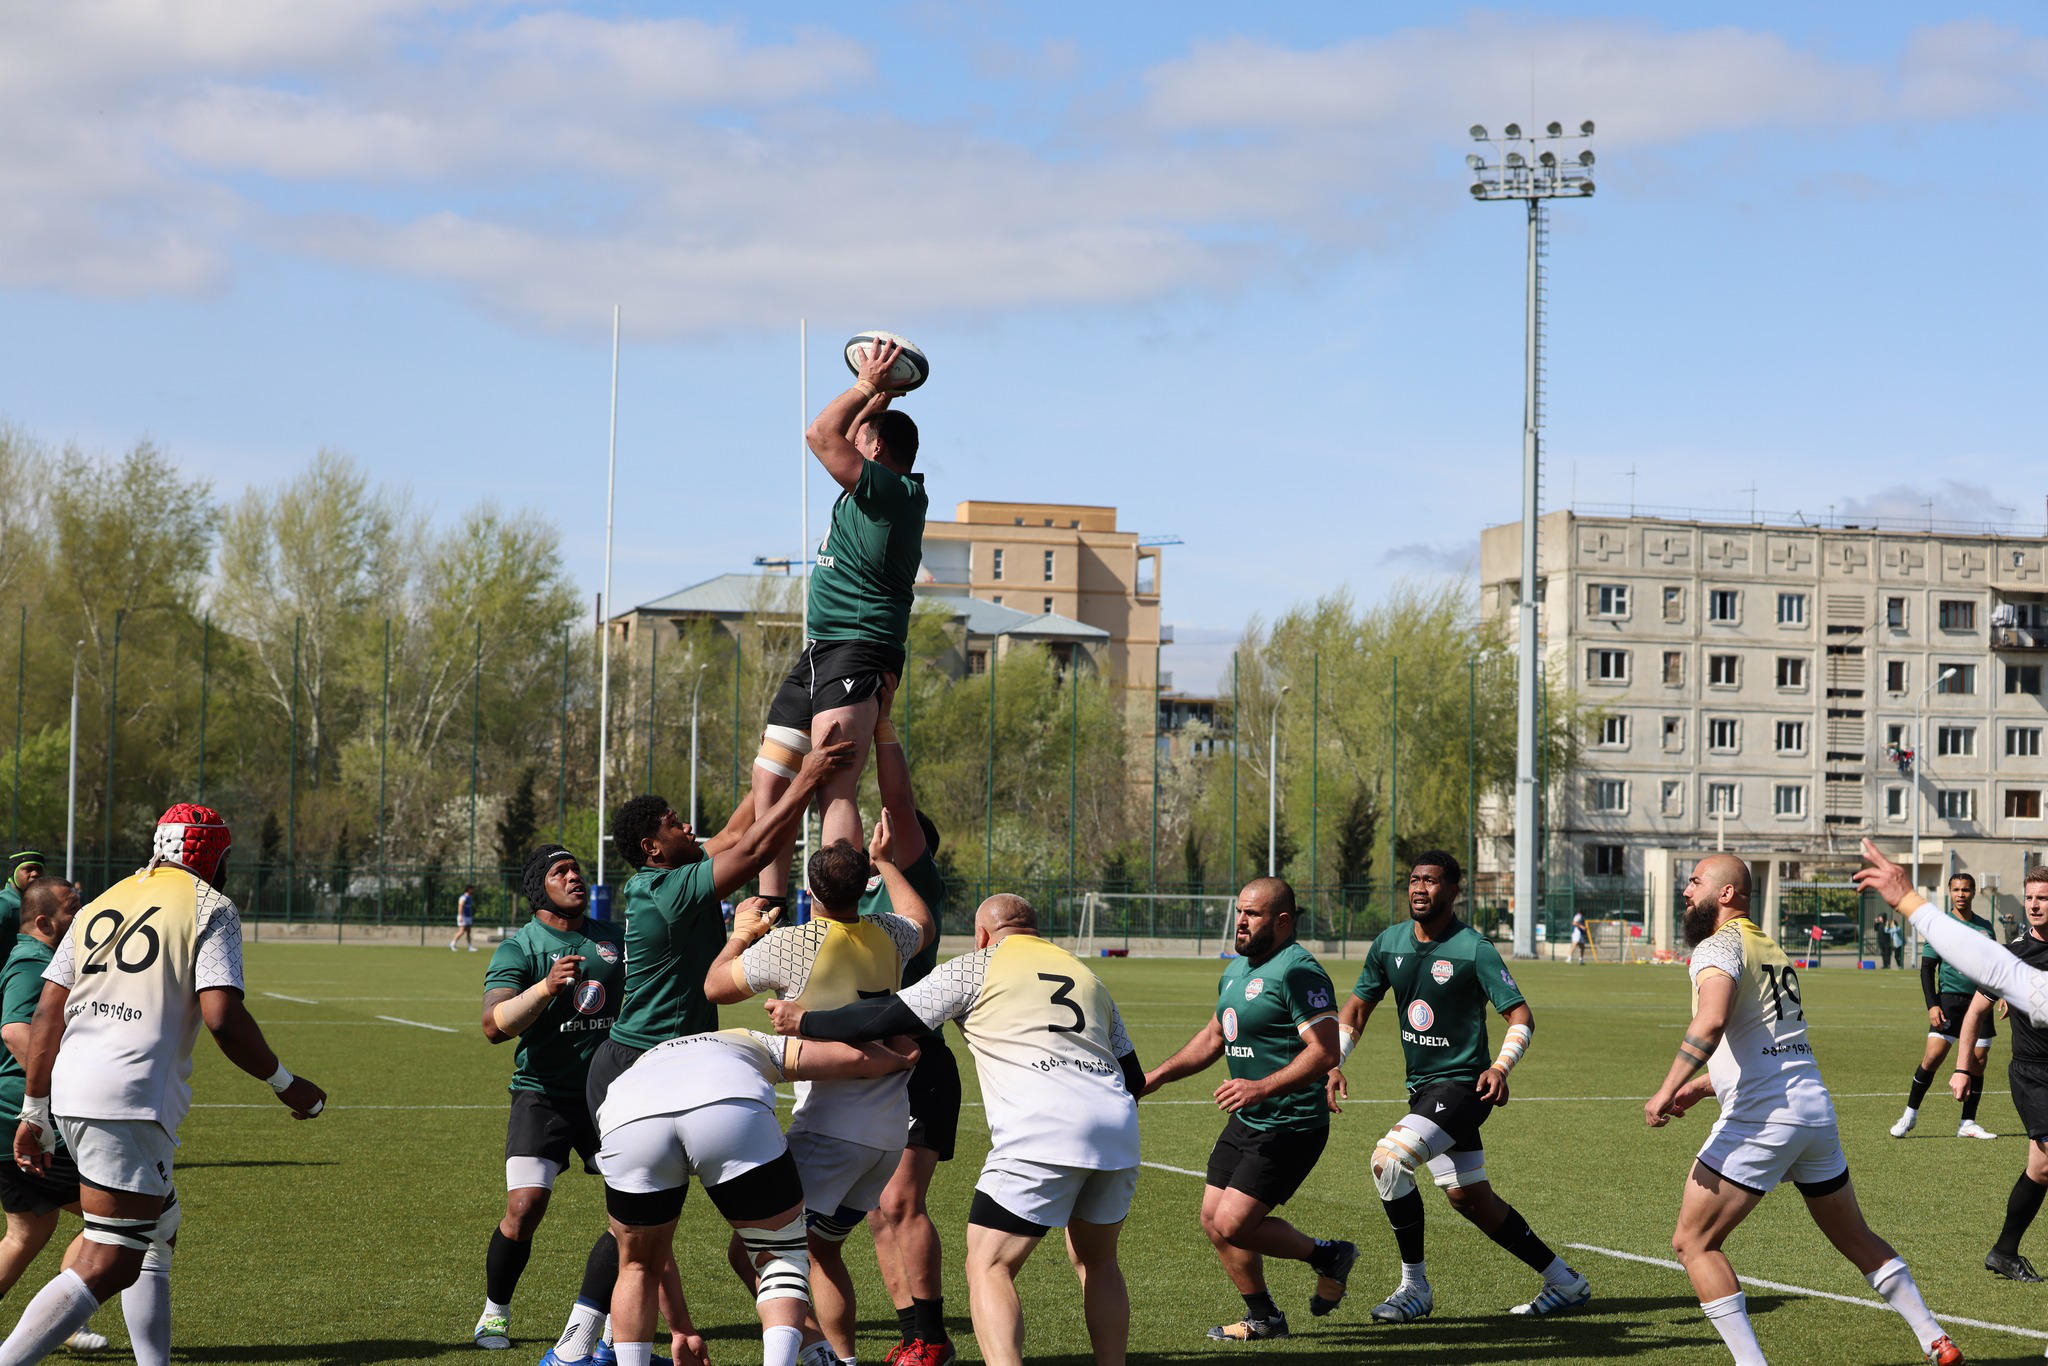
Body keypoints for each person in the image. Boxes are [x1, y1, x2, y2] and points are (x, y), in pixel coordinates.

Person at [0, 804, 327, 1366]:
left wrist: (35, 1108)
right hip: (127, 1095)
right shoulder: (210, 907)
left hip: (74, 1087)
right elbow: (222, 1017)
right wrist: (284, 1081)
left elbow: (50, 1011)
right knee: (111, 1259)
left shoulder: (103, 899)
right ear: (210, 855)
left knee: (158, 1232)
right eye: (223, 856)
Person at [767, 893, 1143, 1366]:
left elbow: (889, 1014)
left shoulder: (977, 965)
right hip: (1117, 1125)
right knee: (1099, 1261)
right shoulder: (1087, 975)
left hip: (1043, 1127)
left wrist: (808, 1021)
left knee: (989, 1262)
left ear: (983, 934)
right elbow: (1135, 1077)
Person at [1645, 854, 1961, 1366]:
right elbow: (1769, 1040)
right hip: (1812, 1111)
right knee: (1854, 1236)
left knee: (1693, 1243)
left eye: (1696, 881)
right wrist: (1703, 1088)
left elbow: (1712, 1021)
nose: (1686, 890)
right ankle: (1935, 1339)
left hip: (1764, 1118)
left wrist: (1666, 1088)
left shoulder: (1717, 946)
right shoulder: (1769, 947)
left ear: (1726, 894)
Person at [704, 812, 934, 1366]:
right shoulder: (890, 933)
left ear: (809, 890)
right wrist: (885, 862)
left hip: (832, 1128)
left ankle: (812, 1352)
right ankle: (842, 1358)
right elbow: (920, 918)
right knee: (821, 1251)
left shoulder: (792, 945)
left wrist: (739, 936)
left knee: (752, 1252)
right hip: (887, 1130)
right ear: (866, 889)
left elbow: (715, 985)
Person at [1329, 852, 1588, 1325]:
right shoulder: (1388, 944)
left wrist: (1501, 1068)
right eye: (1412, 880)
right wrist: (1335, 1062)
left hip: (1463, 1089)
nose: (1419, 888)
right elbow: (1357, 1010)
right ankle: (1565, 1282)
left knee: (1389, 1161)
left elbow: (1520, 1015)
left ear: (1453, 890)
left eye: (1430, 881)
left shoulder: (1474, 949)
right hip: (1423, 1090)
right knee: (1469, 1198)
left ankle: (1414, 1288)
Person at [472, 846, 683, 1364]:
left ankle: (609, 1322)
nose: (574, 878)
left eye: (576, 871)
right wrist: (544, 988)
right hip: (541, 1093)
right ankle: (494, 1309)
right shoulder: (521, 947)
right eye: (560, 872)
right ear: (536, 886)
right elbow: (493, 1025)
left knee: (633, 1213)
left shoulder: (613, 938)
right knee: (524, 1209)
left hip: (610, 1095)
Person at [596, 1026, 918, 1366]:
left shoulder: (648, 1059)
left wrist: (680, 1329)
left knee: (636, 1266)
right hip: (728, 1100)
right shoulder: (751, 1039)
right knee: (779, 1255)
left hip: (628, 1113)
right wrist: (899, 1057)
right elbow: (853, 1057)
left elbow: (652, 1263)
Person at [752, 339, 929, 908]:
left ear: (874, 450)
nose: (852, 434)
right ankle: (768, 911)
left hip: (859, 649)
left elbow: (819, 434)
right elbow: (848, 430)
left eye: (862, 435)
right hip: (823, 647)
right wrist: (876, 392)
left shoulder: (893, 493)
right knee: (771, 782)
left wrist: (862, 386)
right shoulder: (874, 486)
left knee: (835, 785)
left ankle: (834, 918)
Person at [1144, 877, 1354, 1343]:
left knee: (1234, 1223)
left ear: (1281, 920)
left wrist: (1260, 1087)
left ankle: (1327, 1255)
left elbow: (1323, 1052)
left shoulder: (1299, 972)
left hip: (1290, 1123)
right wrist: (1154, 1078)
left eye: (1252, 914)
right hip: (1248, 1119)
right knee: (1213, 1222)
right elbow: (1215, 1036)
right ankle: (1265, 1317)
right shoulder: (1236, 971)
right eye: (1239, 911)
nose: (1240, 921)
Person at [852, 681, 958, 1366]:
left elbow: (897, 804)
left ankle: (936, 1337)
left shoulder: (914, 882)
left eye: (892, 825)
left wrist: (883, 726)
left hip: (918, 1062)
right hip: (864, 1069)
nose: (879, 827)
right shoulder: (861, 894)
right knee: (874, 1208)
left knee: (900, 1199)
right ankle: (913, 1335)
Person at [0, 878, 110, 1353]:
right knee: (120, 1218)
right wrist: (54, 1096)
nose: (81, 915)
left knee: (27, 1232)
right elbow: (15, 1031)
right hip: (25, 1123)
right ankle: (62, 1321)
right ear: (44, 922)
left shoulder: (41, 957)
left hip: (10, 1120)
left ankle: (61, 1321)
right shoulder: (31, 962)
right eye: (73, 908)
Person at [1950, 865, 2048, 1282]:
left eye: (2042, 897)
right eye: (2030, 898)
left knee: (2041, 1168)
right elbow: (1974, 1013)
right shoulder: (2012, 955)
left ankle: (2003, 1252)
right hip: (2033, 1074)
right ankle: (2004, 1251)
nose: (2034, 905)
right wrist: (1961, 1067)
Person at [1888, 873, 1998, 1141]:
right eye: (1957, 889)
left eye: (1966, 890)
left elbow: (1997, 968)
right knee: (1933, 1058)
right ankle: (1909, 1115)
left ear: (1974, 893)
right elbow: (1927, 969)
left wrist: (2003, 996)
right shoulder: (1940, 926)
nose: (1961, 894)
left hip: (1981, 1001)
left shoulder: (1985, 928)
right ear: (1950, 892)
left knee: (1978, 1062)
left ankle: (1967, 1122)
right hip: (1949, 1001)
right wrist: (1932, 1005)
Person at [0, 853, 42, 962]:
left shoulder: (40, 903)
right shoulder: (4, 903)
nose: (35, 873)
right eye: (28, 869)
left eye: (39, 869)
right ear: (14, 873)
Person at [453, 883, 479, 952]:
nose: (473, 891)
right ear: (468, 889)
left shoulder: (469, 897)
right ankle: (452, 944)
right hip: (463, 916)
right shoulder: (463, 897)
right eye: (472, 889)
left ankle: (470, 947)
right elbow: (460, 907)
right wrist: (460, 916)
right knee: (462, 931)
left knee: (468, 932)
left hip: (468, 917)